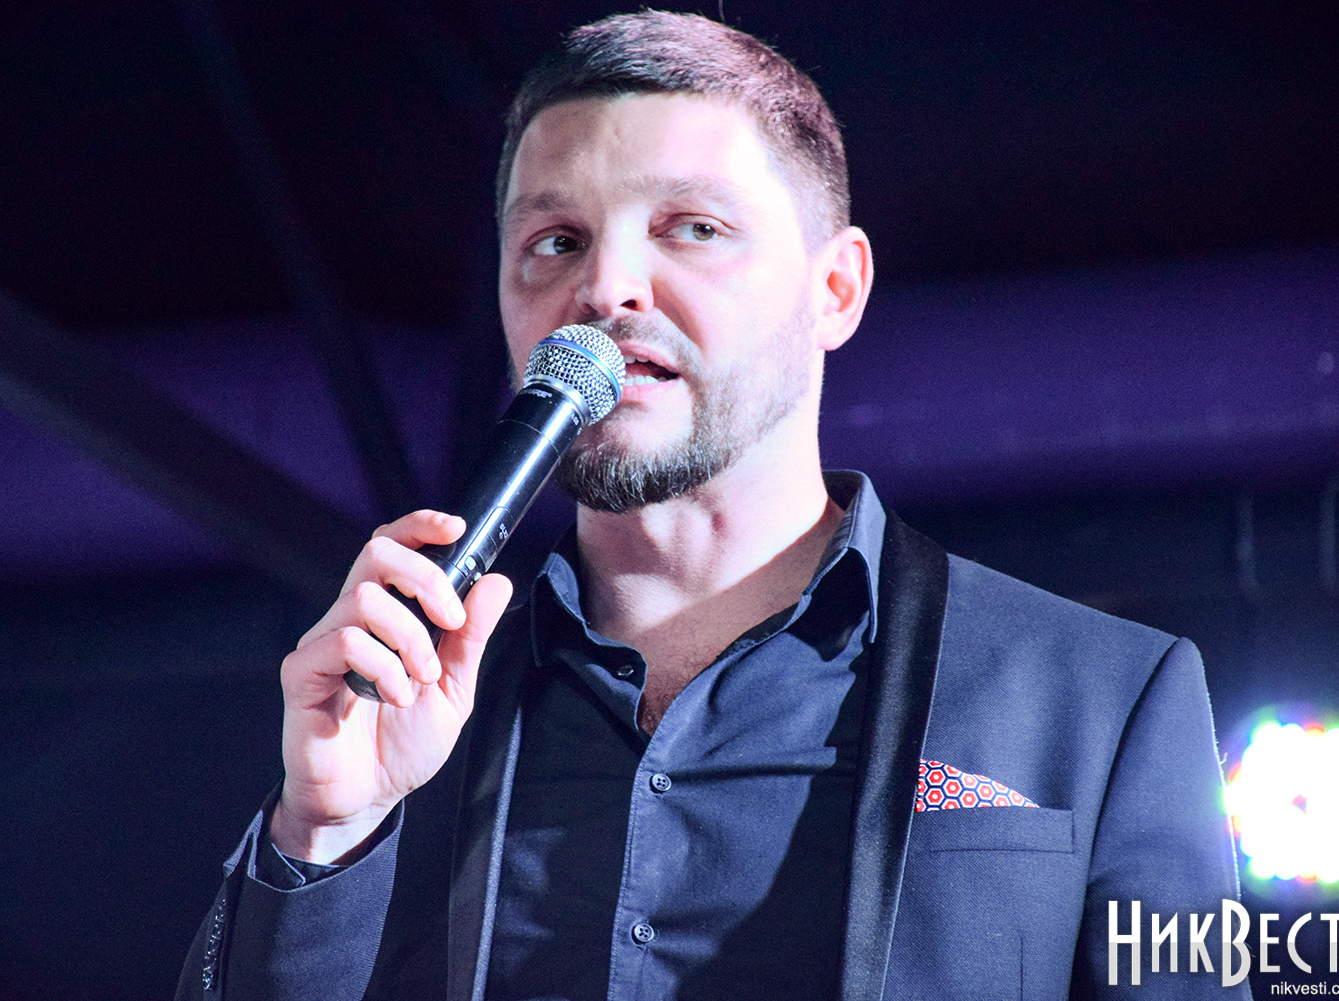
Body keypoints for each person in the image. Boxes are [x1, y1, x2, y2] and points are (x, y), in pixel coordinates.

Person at [178, 12, 1247, 1000]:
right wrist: (327, 832)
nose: (606, 289)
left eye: (691, 227)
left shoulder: (1101, 697)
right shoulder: (398, 703)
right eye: (556, 242)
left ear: (836, 289)